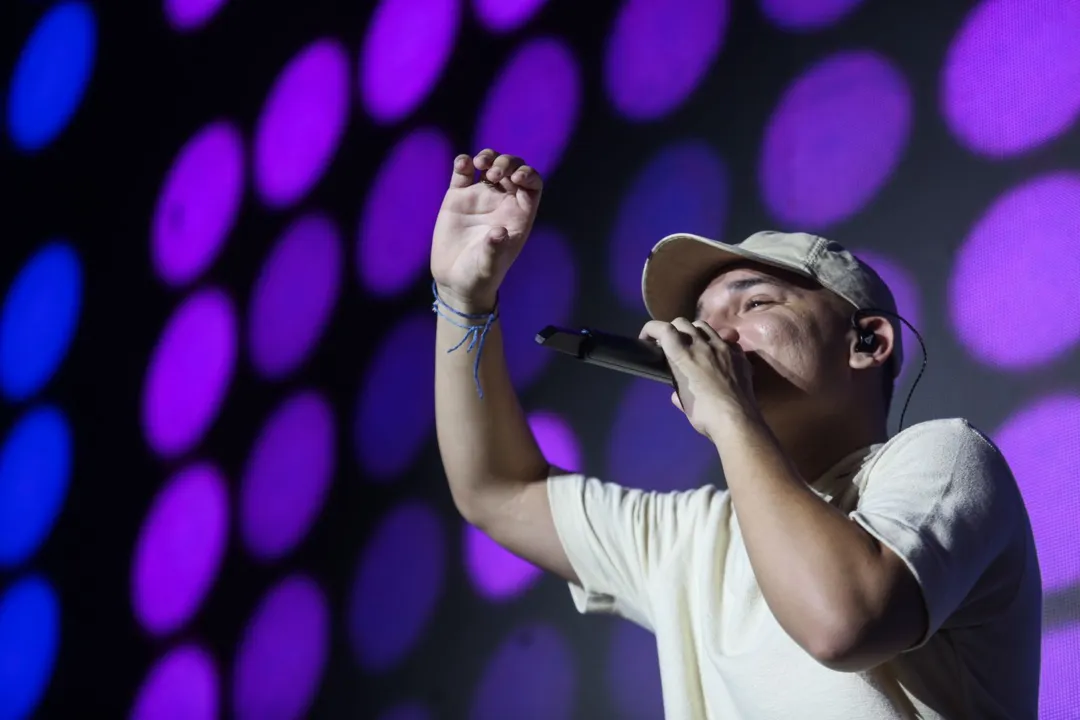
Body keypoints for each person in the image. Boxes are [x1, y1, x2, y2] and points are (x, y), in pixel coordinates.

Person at [431, 149, 1042, 719]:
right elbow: (497, 490)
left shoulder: (942, 459)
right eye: (697, 324)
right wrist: (464, 299)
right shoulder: (695, 536)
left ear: (867, 342)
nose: (713, 338)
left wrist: (730, 413)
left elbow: (843, 622)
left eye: (753, 306)